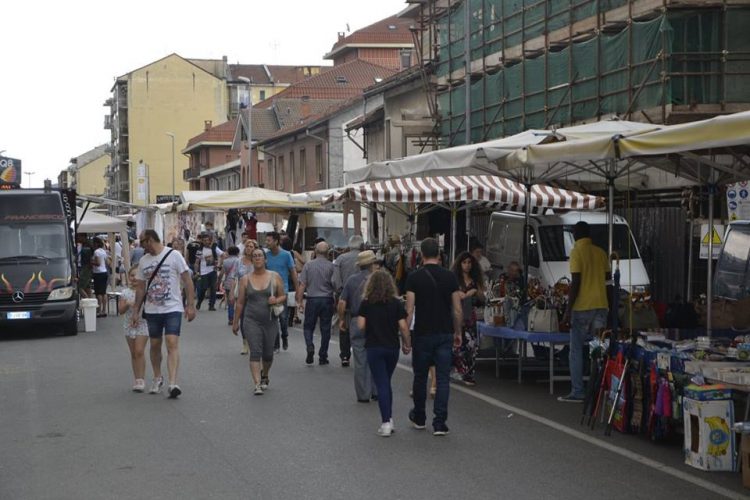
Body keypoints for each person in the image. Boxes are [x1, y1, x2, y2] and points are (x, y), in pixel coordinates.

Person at [405, 237, 463, 436]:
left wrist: (406, 336)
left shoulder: (414, 277)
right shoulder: (450, 277)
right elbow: (457, 309)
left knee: (420, 376)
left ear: (421, 254)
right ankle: (440, 422)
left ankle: (420, 417)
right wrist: (458, 332)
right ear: (439, 255)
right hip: (444, 332)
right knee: (443, 378)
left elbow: (410, 309)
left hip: (422, 332)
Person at [132, 229, 197, 399]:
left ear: (151, 239)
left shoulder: (174, 255)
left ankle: (173, 383)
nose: (141, 245)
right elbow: (140, 288)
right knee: (154, 345)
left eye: (143, 241)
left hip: (173, 308)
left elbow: (187, 280)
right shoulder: (144, 261)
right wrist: (135, 311)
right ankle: (157, 377)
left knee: (171, 342)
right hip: (152, 309)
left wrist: (190, 305)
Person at [559, 221, 610, 403]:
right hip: (601, 306)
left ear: (574, 234)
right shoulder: (601, 252)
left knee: (576, 350)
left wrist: (567, 311)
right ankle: (601, 389)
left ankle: (578, 391)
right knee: (599, 350)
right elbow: (608, 279)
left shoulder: (576, 252)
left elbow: (576, 282)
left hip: (581, 308)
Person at [357, 270, 411, 437]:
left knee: (381, 383)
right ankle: (390, 418)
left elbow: (360, 325)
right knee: (386, 381)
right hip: (391, 347)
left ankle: (386, 422)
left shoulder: (366, 303)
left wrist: (372, 326)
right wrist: (407, 344)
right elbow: (403, 327)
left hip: (374, 346)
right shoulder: (396, 303)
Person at [232, 248, 286, 395]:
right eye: (254, 256)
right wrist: (235, 322)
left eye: (260, 256)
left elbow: (283, 296)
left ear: (265, 259)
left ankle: (265, 375)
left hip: (270, 320)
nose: (257, 258)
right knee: (255, 352)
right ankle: (256, 384)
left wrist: (276, 299)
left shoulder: (275, 277)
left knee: (268, 354)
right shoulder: (245, 279)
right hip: (251, 320)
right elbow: (241, 303)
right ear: (251, 260)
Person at [339, 250, 380, 401]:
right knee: (376, 356)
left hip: (357, 320)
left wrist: (342, 319)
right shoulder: (380, 280)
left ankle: (363, 394)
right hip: (377, 322)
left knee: (360, 358)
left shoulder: (351, 280)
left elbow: (342, 303)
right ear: (372, 264)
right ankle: (376, 391)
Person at [296, 241, 335, 365]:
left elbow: (302, 285)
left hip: (312, 299)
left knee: (308, 326)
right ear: (328, 253)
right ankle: (323, 355)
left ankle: (310, 345)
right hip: (327, 299)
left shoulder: (308, 265)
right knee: (325, 328)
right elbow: (335, 284)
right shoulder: (332, 266)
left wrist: (299, 301)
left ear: (315, 251)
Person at [451, 251, 485, 386]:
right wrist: (456, 293)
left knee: (471, 346)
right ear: (459, 264)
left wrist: (475, 292)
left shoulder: (476, 281)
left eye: (469, 262)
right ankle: (457, 370)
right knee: (456, 346)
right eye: (464, 262)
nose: (467, 265)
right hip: (455, 316)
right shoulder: (454, 279)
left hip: (470, 317)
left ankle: (468, 374)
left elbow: (483, 300)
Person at [332, 234, 364, 366]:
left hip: (345, 294)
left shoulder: (340, 259)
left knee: (344, 323)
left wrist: (340, 291)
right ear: (362, 245)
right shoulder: (365, 257)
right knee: (363, 323)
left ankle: (345, 355)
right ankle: (360, 353)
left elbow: (335, 280)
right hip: (363, 295)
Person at [118, 265, 150, 392]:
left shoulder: (146, 292)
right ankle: (137, 379)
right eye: (132, 275)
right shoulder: (125, 292)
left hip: (143, 323)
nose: (134, 278)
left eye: (137, 275)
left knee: (139, 351)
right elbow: (120, 310)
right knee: (133, 353)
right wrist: (127, 304)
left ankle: (141, 379)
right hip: (129, 324)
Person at [265, 232, 298, 351]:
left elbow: (293, 273)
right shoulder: (266, 255)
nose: (266, 243)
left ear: (276, 241)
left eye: (269, 240)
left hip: (282, 291)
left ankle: (285, 336)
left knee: (283, 318)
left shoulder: (286, 255)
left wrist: (297, 290)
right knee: (272, 319)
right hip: (268, 291)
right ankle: (276, 344)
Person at [194, 231, 223, 311]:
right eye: (205, 240)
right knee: (203, 288)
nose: (207, 242)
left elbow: (222, 255)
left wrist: (219, 264)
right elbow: (197, 262)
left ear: (210, 240)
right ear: (202, 241)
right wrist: (196, 272)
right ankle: (199, 301)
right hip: (204, 272)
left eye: (208, 240)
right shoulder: (200, 250)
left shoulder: (214, 247)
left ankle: (211, 305)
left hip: (213, 271)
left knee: (213, 288)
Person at [219, 246, 241, 326]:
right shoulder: (240, 261)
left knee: (230, 302)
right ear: (237, 252)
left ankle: (231, 318)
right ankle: (238, 318)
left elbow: (222, 273)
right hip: (238, 283)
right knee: (239, 301)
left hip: (228, 283)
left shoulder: (225, 261)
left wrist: (218, 282)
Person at [91, 237, 109, 318]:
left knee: (98, 293)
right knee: (104, 292)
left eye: (93, 243)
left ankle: (99, 310)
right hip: (104, 272)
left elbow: (97, 263)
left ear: (96, 243)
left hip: (98, 273)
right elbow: (106, 262)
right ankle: (104, 310)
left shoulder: (96, 252)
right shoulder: (103, 251)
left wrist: (91, 262)